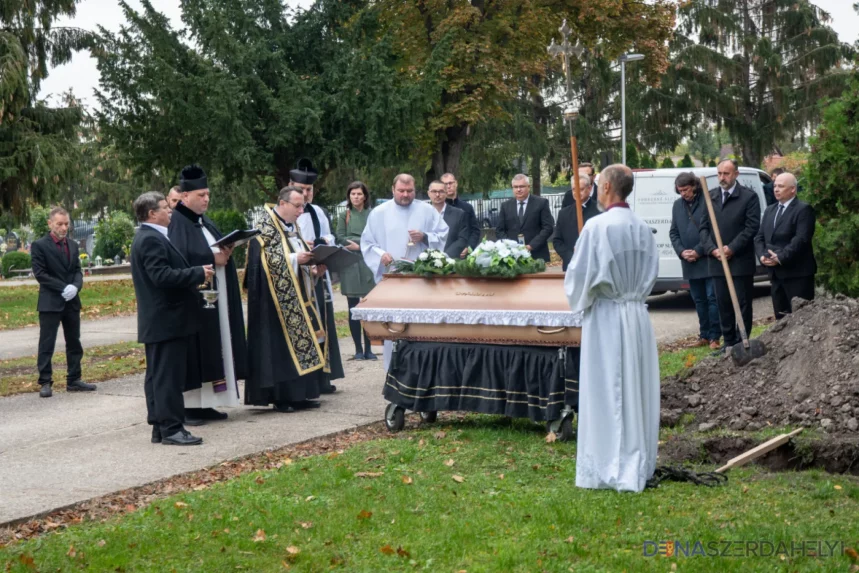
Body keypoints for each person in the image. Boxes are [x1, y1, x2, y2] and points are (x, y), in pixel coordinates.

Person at [564, 164, 659, 492]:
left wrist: (578, 261)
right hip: (635, 314)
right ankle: (637, 460)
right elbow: (651, 274)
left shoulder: (597, 227)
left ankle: (609, 464)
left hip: (606, 316)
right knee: (633, 385)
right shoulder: (643, 228)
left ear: (605, 187)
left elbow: (580, 282)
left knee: (609, 388)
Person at [130, 191, 214, 445]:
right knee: (168, 377)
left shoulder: (152, 236)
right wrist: (196, 273)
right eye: (166, 207)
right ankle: (172, 428)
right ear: (151, 214)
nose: (171, 210)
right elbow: (162, 277)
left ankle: (160, 426)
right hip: (166, 319)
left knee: (159, 376)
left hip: (162, 320)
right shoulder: (150, 239)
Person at [168, 165, 248, 424]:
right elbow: (180, 258)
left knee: (216, 347)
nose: (206, 199)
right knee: (198, 350)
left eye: (208, 194)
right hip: (194, 302)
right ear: (185, 196)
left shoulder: (203, 221)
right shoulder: (177, 222)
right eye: (201, 195)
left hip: (215, 295)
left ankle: (208, 403)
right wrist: (212, 258)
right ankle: (190, 406)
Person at [244, 187, 335, 412]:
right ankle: (282, 397)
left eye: (303, 206)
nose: (301, 211)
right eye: (297, 206)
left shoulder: (292, 227)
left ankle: (302, 394)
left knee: (304, 342)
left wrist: (314, 271)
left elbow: (297, 260)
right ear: (282, 203)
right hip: (272, 305)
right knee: (280, 349)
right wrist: (295, 258)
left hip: (300, 297)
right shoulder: (264, 227)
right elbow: (263, 264)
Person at [361, 173, 448, 367]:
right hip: (392, 279)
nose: (405, 195)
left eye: (410, 191)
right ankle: (393, 370)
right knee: (394, 326)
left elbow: (442, 235)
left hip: (421, 279)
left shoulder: (427, 210)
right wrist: (380, 254)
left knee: (421, 325)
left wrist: (425, 237)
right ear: (393, 190)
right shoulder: (379, 213)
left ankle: (424, 369)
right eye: (401, 191)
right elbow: (367, 243)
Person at [30, 207, 96, 398]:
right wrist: (63, 288)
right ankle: (45, 381)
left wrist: (75, 287)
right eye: (59, 224)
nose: (64, 227)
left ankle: (74, 379)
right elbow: (41, 274)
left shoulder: (73, 245)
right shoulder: (39, 245)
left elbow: (77, 270)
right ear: (50, 224)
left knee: (74, 342)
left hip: (71, 301)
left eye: (66, 223)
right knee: (47, 343)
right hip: (50, 302)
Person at [291, 159, 344, 392]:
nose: (305, 195)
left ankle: (324, 377)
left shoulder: (318, 212)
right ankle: (309, 379)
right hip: (299, 276)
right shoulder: (285, 211)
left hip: (319, 273)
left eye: (309, 190)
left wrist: (322, 245)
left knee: (323, 325)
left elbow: (330, 236)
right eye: (301, 190)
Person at [699, 159, 761, 352]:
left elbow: (751, 227)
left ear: (736, 174)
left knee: (742, 303)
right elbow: (703, 228)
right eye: (719, 174)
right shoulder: (711, 197)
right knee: (723, 302)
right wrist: (713, 249)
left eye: (726, 174)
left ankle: (743, 341)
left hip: (740, 261)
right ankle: (728, 342)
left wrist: (731, 248)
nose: (722, 178)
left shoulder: (748, 197)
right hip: (717, 261)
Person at [668, 172, 721, 350]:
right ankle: (704, 334)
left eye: (686, 189)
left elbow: (713, 229)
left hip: (706, 259)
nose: (683, 193)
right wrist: (682, 252)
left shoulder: (707, 202)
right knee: (698, 300)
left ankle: (715, 336)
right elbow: (673, 232)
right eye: (680, 190)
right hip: (689, 262)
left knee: (712, 298)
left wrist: (699, 250)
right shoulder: (677, 206)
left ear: (694, 186)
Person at [754, 172, 816, 320]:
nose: (776, 189)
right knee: (780, 319)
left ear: (793, 189)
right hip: (776, 275)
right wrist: (762, 255)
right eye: (775, 186)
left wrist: (780, 257)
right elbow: (759, 237)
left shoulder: (803, 210)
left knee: (801, 318)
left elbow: (801, 239)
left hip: (797, 274)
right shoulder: (770, 210)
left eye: (781, 186)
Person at [334, 181, 378, 361]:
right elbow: (339, 236)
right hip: (350, 264)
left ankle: (369, 348)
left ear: (365, 196)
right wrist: (350, 244)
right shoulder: (344, 215)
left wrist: (361, 245)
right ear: (349, 196)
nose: (356, 197)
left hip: (368, 262)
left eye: (359, 194)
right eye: (353, 194)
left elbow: (376, 235)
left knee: (368, 308)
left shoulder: (373, 215)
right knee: (352, 308)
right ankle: (358, 349)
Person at [495, 174, 554, 262]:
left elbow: (548, 228)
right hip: (512, 257)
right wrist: (511, 247)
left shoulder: (541, 203)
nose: (518, 190)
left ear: (528, 187)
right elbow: (499, 230)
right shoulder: (505, 206)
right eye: (515, 187)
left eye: (521, 186)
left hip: (537, 255)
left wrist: (531, 246)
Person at [552, 174, 601, 271]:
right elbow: (557, 241)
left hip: (595, 266)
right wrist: (571, 256)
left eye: (581, 189)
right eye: (574, 189)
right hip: (571, 266)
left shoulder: (600, 211)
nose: (577, 193)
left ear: (590, 188)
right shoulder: (564, 213)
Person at [441, 172, 480, 254]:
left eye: (450, 183)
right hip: (444, 252)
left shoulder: (467, 208)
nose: (448, 186)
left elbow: (475, 231)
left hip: (463, 253)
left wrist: (469, 247)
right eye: (445, 184)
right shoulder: (439, 208)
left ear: (456, 183)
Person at [428, 180, 469, 259]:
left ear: (446, 193)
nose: (437, 195)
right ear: (428, 193)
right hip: (425, 262)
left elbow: (462, 239)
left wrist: (444, 256)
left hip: (450, 261)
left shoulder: (459, 214)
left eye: (441, 191)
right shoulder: (423, 213)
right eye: (434, 191)